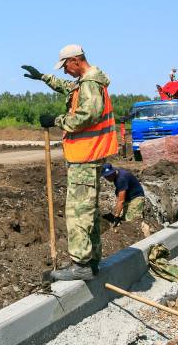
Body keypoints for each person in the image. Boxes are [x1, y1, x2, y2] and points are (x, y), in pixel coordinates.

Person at [23, 44, 118, 282]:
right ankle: (91, 260)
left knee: (78, 212)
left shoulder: (90, 84)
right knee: (89, 210)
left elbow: (88, 115)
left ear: (76, 60)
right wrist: (43, 78)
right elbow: (68, 88)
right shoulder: (86, 82)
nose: (65, 71)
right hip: (88, 156)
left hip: (85, 157)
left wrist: (56, 120)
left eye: (66, 65)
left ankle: (81, 265)